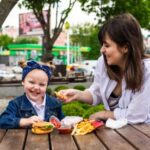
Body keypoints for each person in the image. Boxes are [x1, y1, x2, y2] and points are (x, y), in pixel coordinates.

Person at [59, 13, 150, 124]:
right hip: (117, 133)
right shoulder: (103, 63)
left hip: (143, 134)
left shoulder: (147, 71)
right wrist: (78, 94)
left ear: (125, 47)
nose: (102, 50)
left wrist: (104, 114)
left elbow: (136, 116)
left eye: (107, 45)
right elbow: (96, 94)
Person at [0, 61, 64, 129]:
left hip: (52, 139)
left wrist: (67, 122)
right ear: (23, 82)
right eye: (32, 82)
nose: (36, 87)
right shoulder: (15, 104)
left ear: (46, 86)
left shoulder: (55, 103)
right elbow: (3, 121)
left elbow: (62, 121)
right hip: (25, 139)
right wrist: (25, 121)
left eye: (42, 84)